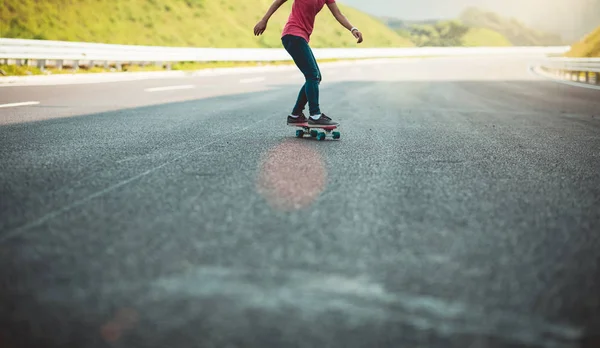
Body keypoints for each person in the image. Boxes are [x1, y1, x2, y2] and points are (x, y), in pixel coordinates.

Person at [254, 0, 363, 126]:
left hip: (300, 37)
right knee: (312, 75)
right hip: (293, 35)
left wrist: (352, 29)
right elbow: (278, 2)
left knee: (315, 77)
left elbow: (338, 14)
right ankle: (315, 115)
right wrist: (264, 20)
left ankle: (295, 115)